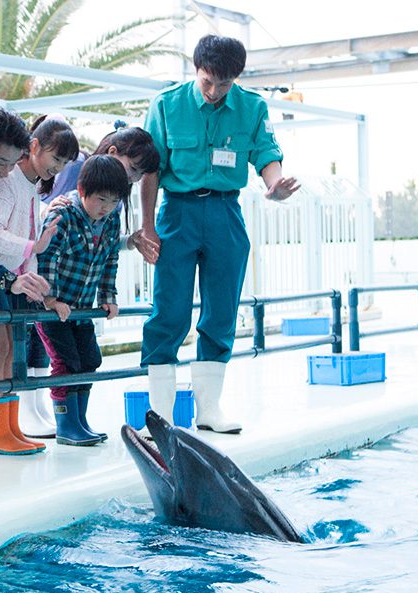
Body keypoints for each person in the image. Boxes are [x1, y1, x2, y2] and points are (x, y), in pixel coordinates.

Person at [135, 34, 300, 433]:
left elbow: (266, 154)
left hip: (227, 211)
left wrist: (274, 185)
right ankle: (161, 415)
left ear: (236, 79)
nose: (213, 91)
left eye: (223, 85)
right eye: (207, 81)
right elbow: (150, 170)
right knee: (169, 310)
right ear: (197, 70)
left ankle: (209, 410)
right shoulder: (167, 104)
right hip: (177, 212)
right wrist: (147, 225)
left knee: (222, 310)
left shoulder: (252, 106)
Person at [0, 114, 78, 455]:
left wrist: (35, 276)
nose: (57, 168)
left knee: (12, 350)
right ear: (35, 146)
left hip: (10, 279)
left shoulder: (30, 186)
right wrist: (33, 250)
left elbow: (29, 236)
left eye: (65, 163)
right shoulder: (7, 180)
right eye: (55, 158)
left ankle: (8, 428)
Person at [37, 155, 131, 445]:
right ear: (82, 190)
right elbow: (46, 256)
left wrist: (107, 297)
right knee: (67, 363)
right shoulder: (62, 213)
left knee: (90, 359)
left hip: (82, 308)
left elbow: (110, 258)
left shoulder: (111, 219)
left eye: (114, 201)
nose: (106, 208)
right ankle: (66, 425)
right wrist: (50, 299)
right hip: (53, 310)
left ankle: (80, 420)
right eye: (101, 200)